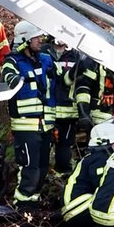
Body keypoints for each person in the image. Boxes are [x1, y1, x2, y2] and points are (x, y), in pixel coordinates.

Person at [0, 20, 55, 216]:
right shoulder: (12, 61)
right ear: (25, 39)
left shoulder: (46, 59)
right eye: (36, 37)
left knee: (42, 167)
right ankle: (22, 205)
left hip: (45, 125)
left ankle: (34, 204)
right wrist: (23, 78)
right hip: (25, 125)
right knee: (29, 167)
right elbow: (9, 78)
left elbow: (60, 79)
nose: (40, 40)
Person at [61, 122, 114, 227]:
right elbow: (103, 186)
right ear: (106, 143)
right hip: (77, 208)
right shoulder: (100, 159)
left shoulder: (93, 157)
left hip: (75, 206)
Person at [41, 37, 80, 175]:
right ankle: (43, 175)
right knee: (43, 146)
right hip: (45, 109)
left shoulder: (76, 55)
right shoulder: (42, 51)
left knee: (64, 145)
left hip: (68, 111)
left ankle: (61, 174)